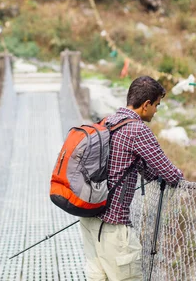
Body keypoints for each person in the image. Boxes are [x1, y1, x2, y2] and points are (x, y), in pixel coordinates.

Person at [79, 75, 184, 281]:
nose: (156, 111)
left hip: (89, 218)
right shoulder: (137, 130)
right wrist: (180, 179)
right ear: (146, 105)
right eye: (157, 105)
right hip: (113, 227)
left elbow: (143, 169)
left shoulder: (108, 121)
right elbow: (171, 174)